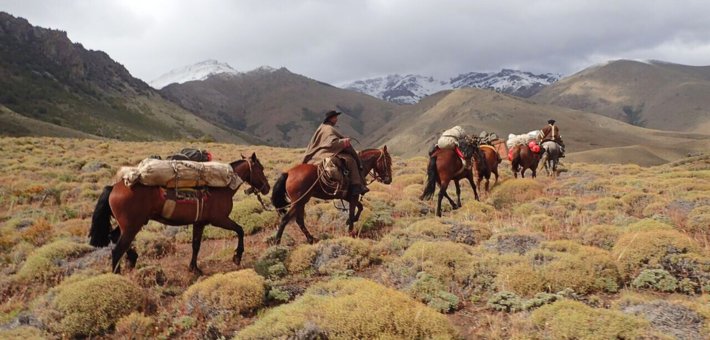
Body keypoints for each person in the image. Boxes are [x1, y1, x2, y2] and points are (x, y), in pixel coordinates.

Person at [301, 110, 369, 197]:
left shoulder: (323, 127)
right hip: (326, 152)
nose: (336, 119)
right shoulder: (328, 129)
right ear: (331, 118)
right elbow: (331, 143)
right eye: (335, 118)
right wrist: (344, 142)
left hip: (322, 151)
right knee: (350, 160)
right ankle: (355, 186)